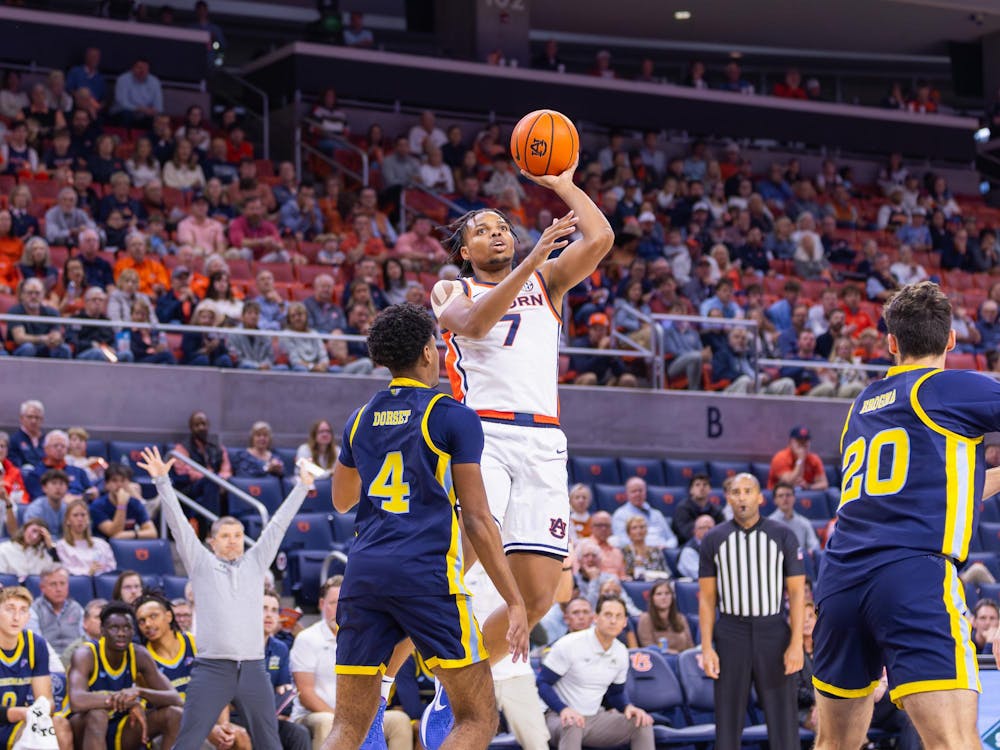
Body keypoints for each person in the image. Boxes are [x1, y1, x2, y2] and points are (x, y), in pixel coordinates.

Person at [323, 303, 529, 750]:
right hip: (425, 574)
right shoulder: (452, 414)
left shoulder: (358, 420)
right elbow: (477, 517)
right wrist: (514, 600)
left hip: (363, 576)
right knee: (477, 716)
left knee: (347, 725)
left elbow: (341, 501)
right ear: (428, 352)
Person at [811, 281, 1000, 750]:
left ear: (891, 343)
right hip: (911, 573)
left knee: (833, 744)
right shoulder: (951, 387)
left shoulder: (863, 404)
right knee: (954, 741)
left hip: (840, 580)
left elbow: (936, 488)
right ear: (951, 340)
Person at [138, 445, 312, 749]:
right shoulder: (201, 563)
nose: (233, 541)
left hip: (254, 667)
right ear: (212, 541)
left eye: (237, 535)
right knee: (188, 741)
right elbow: (179, 526)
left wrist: (302, 486)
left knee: (269, 742)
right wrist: (162, 482)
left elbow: (278, 525)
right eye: (225, 536)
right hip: (212, 668)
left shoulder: (256, 562)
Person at [699, 472, 805, 750]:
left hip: (774, 631)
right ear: (728, 498)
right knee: (728, 719)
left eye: (748, 491)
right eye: (736, 492)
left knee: (783, 719)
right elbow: (707, 599)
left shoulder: (783, 535)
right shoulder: (713, 539)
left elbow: (796, 593)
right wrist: (707, 647)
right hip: (730, 631)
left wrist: (796, 644)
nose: (742, 497)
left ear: (760, 497)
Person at [135, 593, 252, 750]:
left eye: (153, 616)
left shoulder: (195, 643)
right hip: (171, 727)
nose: (148, 624)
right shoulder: (143, 659)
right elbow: (160, 710)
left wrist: (223, 725)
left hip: (206, 719)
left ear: (169, 616)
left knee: (240, 736)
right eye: (142, 621)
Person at [537, 596, 654, 749]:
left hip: (593, 717)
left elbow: (616, 694)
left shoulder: (621, 652)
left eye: (618, 616)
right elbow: (542, 682)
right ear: (596, 618)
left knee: (641, 723)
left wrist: (627, 707)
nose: (613, 621)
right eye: (608, 615)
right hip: (556, 716)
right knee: (573, 724)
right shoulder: (569, 644)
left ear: (625, 622)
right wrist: (563, 709)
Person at [68, 601, 183, 748]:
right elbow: (77, 701)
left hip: (119, 725)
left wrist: (140, 692)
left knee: (175, 714)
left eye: (127, 627)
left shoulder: (139, 654)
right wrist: (128, 702)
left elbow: (175, 698)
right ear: (102, 630)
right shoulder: (86, 654)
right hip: (82, 728)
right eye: (114, 628)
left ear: (133, 631)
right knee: (97, 714)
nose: (121, 633)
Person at [0, 586, 73, 749]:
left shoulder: (36, 644)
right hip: (11, 718)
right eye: (9, 609)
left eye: (23, 610)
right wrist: (19, 713)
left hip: (17, 723)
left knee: (59, 725)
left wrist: (38, 711)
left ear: (28, 617)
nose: (16, 617)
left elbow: (46, 699)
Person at [89, 464, 157, 540]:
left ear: (129, 483)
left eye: (123, 481)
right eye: (114, 480)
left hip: (128, 547)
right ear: (106, 484)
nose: (119, 485)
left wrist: (132, 534)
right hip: (104, 546)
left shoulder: (135, 503)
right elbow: (113, 533)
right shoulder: (97, 506)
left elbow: (152, 532)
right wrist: (122, 505)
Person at [25, 566, 84, 654]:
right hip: (47, 658)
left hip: (76, 659)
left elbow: (85, 639)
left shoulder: (76, 608)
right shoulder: (33, 610)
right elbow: (35, 644)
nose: (58, 589)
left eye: (62, 583)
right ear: (42, 587)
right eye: (53, 584)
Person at [610, 477, 676, 549]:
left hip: (663, 552)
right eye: (634, 491)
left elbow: (672, 539)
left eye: (640, 491)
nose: (638, 494)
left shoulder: (657, 514)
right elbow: (622, 541)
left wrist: (665, 546)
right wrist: (645, 548)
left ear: (645, 492)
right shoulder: (620, 515)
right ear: (627, 494)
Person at [55, 499, 116, 575]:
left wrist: (100, 570)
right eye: (75, 515)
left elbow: (112, 567)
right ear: (68, 520)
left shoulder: (102, 544)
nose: (80, 519)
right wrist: (88, 572)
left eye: (83, 515)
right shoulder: (61, 545)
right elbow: (66, 569)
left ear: (88, 519)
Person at [635, 581, 694, 652]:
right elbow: (647, 645)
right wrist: (668, 652)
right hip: (659, 660)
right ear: (652, 598)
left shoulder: (680, 618)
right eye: (659, 594)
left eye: (667, 593)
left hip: (682, 659)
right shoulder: (646, 618)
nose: (664, 597)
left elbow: (690, 646)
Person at [768, 425, 829, 490]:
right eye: (799, 441)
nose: (803, 444)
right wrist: (800, 460)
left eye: (805, 441)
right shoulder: (780, 457)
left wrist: (808, 487)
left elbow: (824, 484)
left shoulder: (814, 459)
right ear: (790, 442)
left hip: (805, 494)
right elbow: (789, 482)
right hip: (780, 495)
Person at [671, 473, 725, 544]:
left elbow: (722, 532)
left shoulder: (717, 510)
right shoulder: (682, 508)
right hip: (687, 546)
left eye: (705, 485)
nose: (701, 488)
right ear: (691, 490)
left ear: (710, 489)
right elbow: (687, 533)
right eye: (697, 485)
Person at [769, 482, 822, 553]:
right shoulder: (769, 524)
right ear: (775, 500)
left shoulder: (804, 522)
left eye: (788, 495)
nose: (785, 499)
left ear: (794, 498)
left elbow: (815, 547)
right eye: (780, 496)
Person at [677, 514, 715, 579]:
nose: (707, 531)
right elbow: (700, 575)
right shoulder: (689, 551)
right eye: (703, 528)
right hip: (694, 586)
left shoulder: (718, 546)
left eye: (710, 528)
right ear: (695, 531)